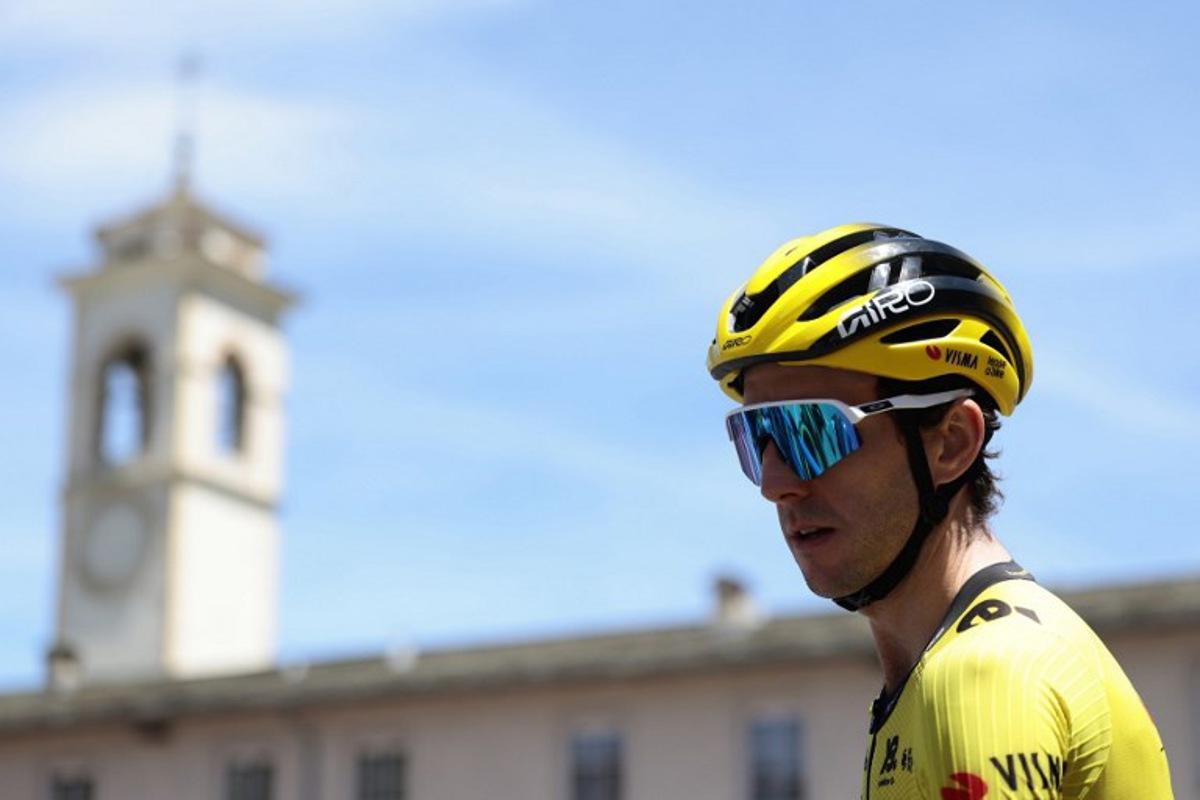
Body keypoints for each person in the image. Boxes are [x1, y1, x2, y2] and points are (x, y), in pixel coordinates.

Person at [706, 223, 1174, 799]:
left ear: (951, 443)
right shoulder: (940, 671)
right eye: (755, 438)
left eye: (811, 432)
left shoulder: (983, 674)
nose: (776, 484)